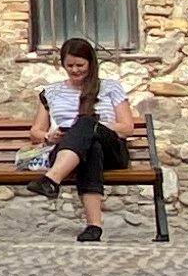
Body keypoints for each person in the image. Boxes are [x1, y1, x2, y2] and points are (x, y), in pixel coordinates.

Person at [27, 37, 138, 243]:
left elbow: (127, 127)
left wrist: (95, 127)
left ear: (90, 63)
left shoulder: (110, 87)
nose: (75, 70)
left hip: (112, 150)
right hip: (68, 150)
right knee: (91, 148)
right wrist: (48, 136)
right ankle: (94, 227)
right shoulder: (50, 92)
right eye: (70, 66)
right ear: (63, 65)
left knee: (87, 123)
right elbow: (36, 132)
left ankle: (52, 179)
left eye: (80, 65)